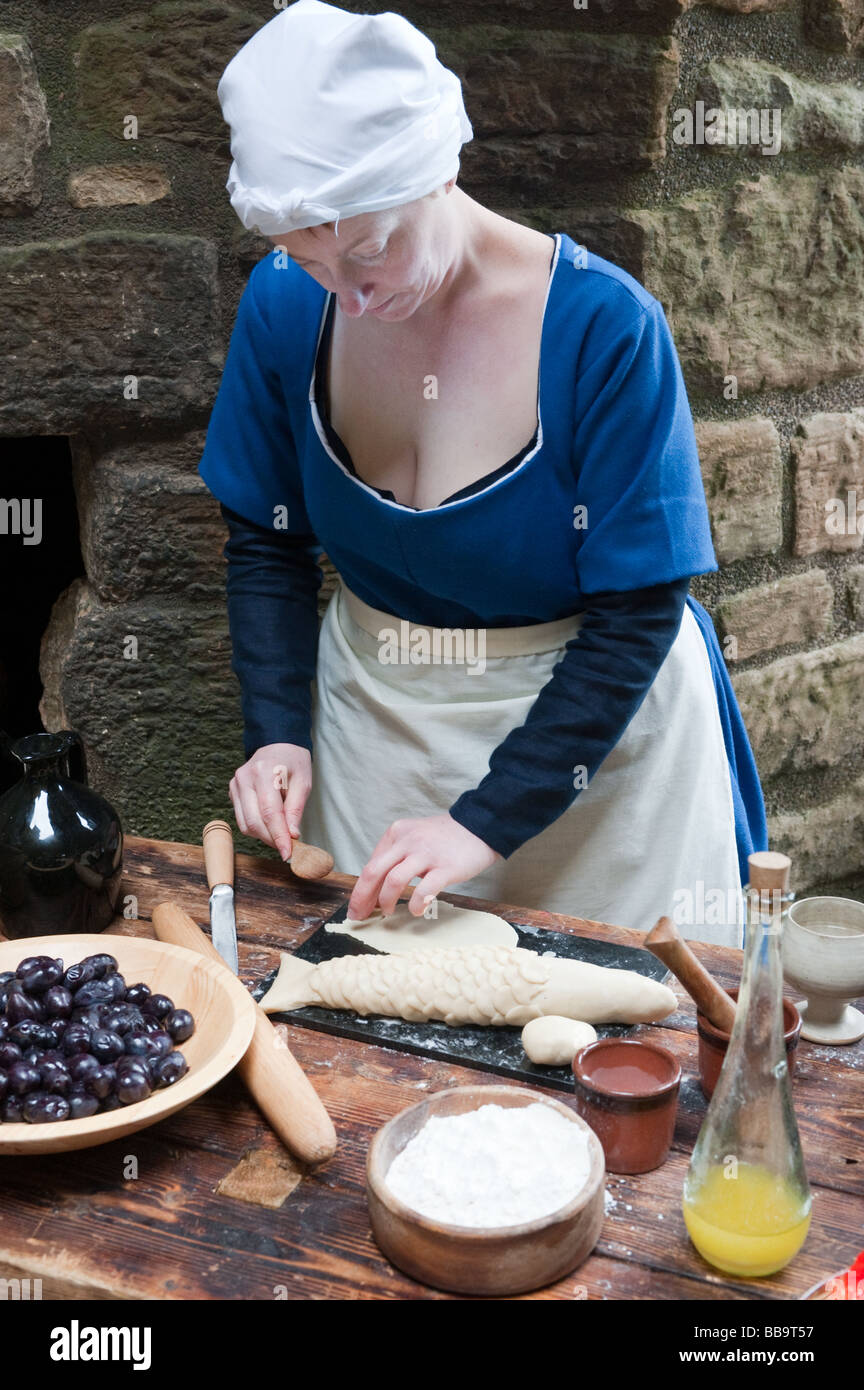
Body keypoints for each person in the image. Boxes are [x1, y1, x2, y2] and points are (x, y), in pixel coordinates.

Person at [199, 0, 767, 946]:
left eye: (372, 249)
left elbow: (636, 620)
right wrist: (276, 730)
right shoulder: (285, 304)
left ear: (442, 169)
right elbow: (266, 539)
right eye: (308, 256)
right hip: (382, 726)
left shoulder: (608, 330)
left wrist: (479, 824)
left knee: (622, 1050)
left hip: (606, 755)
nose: (352, 292)